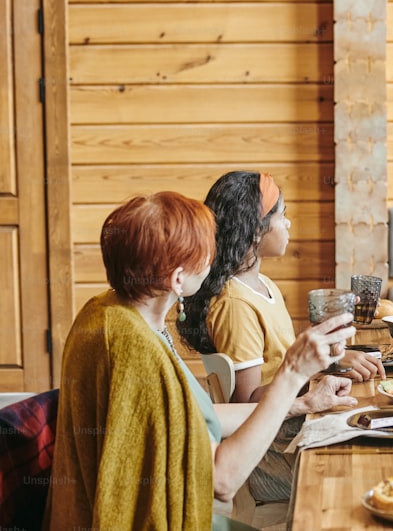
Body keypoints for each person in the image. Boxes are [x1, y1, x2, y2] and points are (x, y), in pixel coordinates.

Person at [45, 192, 355, 529]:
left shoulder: (108, 313)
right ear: (178, 280)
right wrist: (293, 373)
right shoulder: (137, 350)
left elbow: (192, 419)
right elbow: (222, 480)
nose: (214, 257)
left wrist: (302, 403)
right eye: (206, 250)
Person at [179, 171, 375, 504]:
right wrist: (322, 369)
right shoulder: (235, 305)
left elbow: (280, 361)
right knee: (367, 464)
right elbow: (247, 401)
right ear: (255, 230)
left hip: (293, 428)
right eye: (282, 215)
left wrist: (330, 361)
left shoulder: (263, 286)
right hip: (272, 457)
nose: (288, 224)